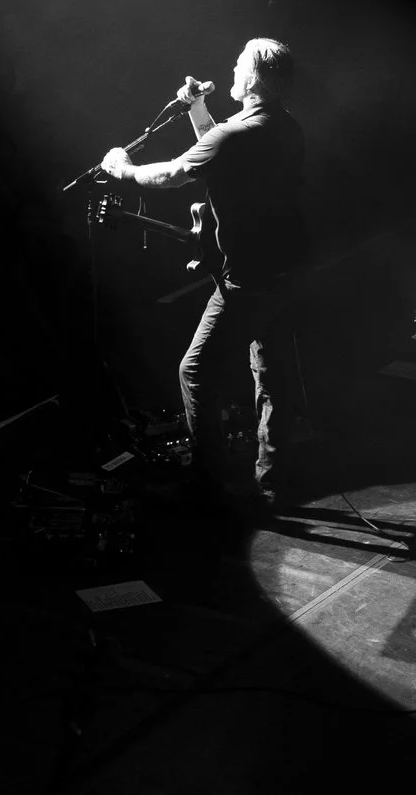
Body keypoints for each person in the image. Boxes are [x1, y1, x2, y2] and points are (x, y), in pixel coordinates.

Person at [99, 38, 305, 512]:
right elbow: (219, 146)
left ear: (253, 78)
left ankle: (209, 485)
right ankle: (273, 484)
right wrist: (197, 109)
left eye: (238, 64)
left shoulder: (238, 134)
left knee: (194, 371)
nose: (231, 68)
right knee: (272, 376)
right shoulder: (282, 126)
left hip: (246, 280)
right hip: (285, 270)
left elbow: (173, 174)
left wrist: (122, 169)